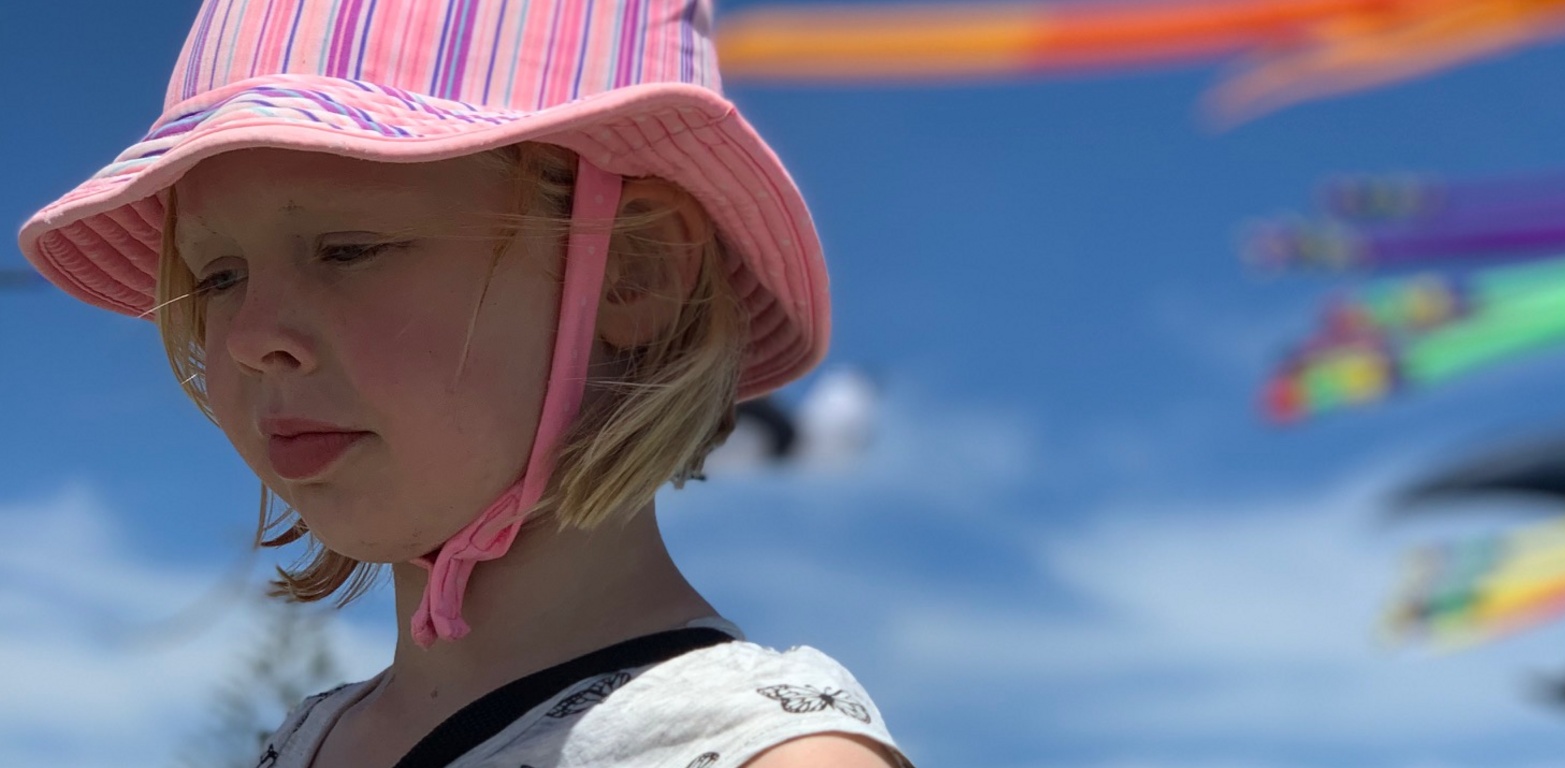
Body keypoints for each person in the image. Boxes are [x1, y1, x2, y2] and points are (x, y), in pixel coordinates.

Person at [17, 1, 912, 766]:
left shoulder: (761, 749)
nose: (250, 338)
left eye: (348, 250)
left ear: (634, 269)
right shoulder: (309, 740)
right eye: (217, 277)